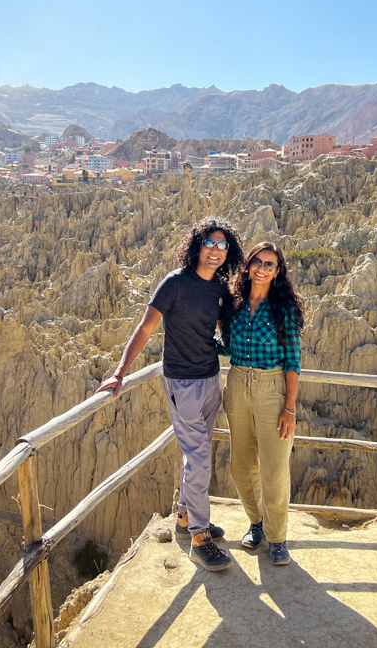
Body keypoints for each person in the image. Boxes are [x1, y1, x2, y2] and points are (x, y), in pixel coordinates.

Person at [97, 217, 244, 572]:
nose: (215, 250)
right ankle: (199, 536)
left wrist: (229, 348)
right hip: (182, 383)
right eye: (210, 242)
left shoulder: (219, 288)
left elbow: (226, 324)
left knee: (199, 452)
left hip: (211, 378)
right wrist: (119, 372)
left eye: (223, 245)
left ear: (229, 252)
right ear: (197, 244)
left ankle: (184, 516)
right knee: (199, 459)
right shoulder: (175, 284)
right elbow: (145, 328)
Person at [219, 241, 304, 565]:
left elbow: (293, 361)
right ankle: (257, 523)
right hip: (238, 383)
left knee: (274, 469)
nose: (263, 268)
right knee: (241, 466)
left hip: (273, 388)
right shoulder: (235, 304)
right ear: (248, 265)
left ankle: (277, 537)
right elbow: (229, 347)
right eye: (258, 262)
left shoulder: (284, 307)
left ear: (278, 271)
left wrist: (290, 407)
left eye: (270, 264)